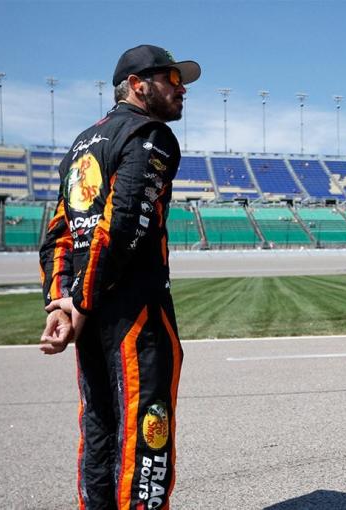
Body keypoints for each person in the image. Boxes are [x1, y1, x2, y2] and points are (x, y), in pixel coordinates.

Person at [38, 44, 200, 510]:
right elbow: (123, 225)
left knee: (99, 430)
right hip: (135, 315)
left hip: (91, 317)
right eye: (171, 78)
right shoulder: (150, 135)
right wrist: (81, 304)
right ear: (137, 85)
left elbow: (58, 236)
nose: (181, 87)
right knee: (146, 436)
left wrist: (63, 303)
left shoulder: (82, 143)